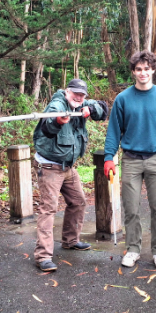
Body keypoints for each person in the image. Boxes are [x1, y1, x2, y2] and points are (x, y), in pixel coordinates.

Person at [102, 51, 156, 270]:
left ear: (153, 70)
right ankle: (133, 249)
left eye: (147, 68)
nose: (143, 73)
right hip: (130, 160)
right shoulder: (123, 99)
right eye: (138, 69)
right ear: (133, 72)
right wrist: (108, 157)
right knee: (131, 208)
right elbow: (113, 131)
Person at [30, 79, 108, 272]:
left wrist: (92, 110)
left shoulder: (82, 104)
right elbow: (48, 126)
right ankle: (43, 256)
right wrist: (58, 121)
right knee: (49, 209)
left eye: (82, 95)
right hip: (50, 167)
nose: (78, 98)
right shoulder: (56, 106)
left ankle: (70, 240)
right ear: (67, 92)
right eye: (75, 94)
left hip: (68, 167)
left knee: (79, 201)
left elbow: (103, 109)